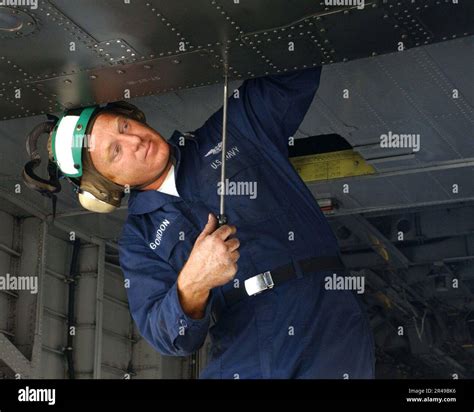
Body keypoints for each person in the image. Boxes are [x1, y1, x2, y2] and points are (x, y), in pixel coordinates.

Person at [25, 67, 375, 378]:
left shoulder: (233, 130)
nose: (134, 140)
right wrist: (192, 284)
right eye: (115, 151)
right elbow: (166, 336)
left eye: (125, 125)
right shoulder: (138, 240)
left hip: (327, 314)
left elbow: (297, 67)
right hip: (247, 336)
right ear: (108, 183)